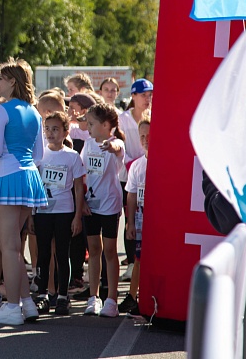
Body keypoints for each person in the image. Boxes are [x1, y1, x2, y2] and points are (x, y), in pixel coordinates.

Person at [0, 57, 47, 326]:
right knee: (14, 246)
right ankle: (27, 304)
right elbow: (39, 155)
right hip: (30, 177)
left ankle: (11, 308)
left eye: (0, 78)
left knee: (8, 245)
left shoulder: (2, 109)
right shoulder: (35, 113)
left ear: (11, 81)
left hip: (8, 176)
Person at [33, 111, 86, 316]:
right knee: (43, 254)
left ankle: (63, 296)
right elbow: (34, 185)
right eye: (47, 129)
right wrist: (31, 214)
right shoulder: (40, 155)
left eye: (55, 129)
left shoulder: (72, 156)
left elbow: (79, 188)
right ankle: (43, 295)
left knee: (63, 254)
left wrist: (77, 216)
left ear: (65, 132)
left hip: (64, 211)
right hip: (43, 211)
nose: (50, 133)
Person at [81, 102, 126, 318]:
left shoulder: (116, 143)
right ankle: (94, 297)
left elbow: (117, 148)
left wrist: (111, 146)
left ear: (106, 125)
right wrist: (81, 201)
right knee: (93, 249)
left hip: (109, 204)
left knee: (109, 250)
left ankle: (111, 300)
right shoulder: (88, 144)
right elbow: (82, 173)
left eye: (92, 123)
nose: (88, 127)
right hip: (91, 204)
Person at [119, 78, 153, 281]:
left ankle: (147, 262)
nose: (147, 99)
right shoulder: (123, 118)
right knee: (131, 217)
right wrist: (132, 163)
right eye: (143, 95)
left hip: (149, 171)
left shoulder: (154, 115)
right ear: (133, 96)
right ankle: (132, 263)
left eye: (149, 95)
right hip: (129, 173)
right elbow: (120, 145)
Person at [119, 111, 150, 315]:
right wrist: (130, 223)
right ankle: (132, 296)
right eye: (142, 136)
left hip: (157, 222)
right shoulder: (137, 166)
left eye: (150, 135)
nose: (146, 140)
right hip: (140, 220)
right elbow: (130, 196)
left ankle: (149, 296)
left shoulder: (164, 162)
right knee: (138, 259)